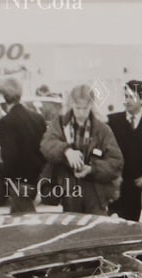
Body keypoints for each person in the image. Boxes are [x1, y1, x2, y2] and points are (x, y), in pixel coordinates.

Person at [40, 84, 123, 215]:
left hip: (96, 193)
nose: (82, 113)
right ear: (71, 105)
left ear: (92, 106)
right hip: (69, 192)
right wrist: (65, 151)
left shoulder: (103, 130)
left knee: (97, 231)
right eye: (78, 108)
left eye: (86, 108)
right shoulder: (60, 124)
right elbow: (46, 144)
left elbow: (116, 163)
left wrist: (92, 169)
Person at [107, 80, 142, 221]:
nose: (127, 100)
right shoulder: (111, 122)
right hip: (115, 186)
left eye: (132, 96)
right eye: (125, 96)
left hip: (138, 188)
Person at [0, 77, 47, 214]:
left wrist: (7, 181)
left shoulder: (5, 122)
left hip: (18, 181)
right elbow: (44, 149)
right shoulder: (37, 118)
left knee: (24, 223)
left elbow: (9, 156)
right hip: (36, 178)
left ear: (4, 97)